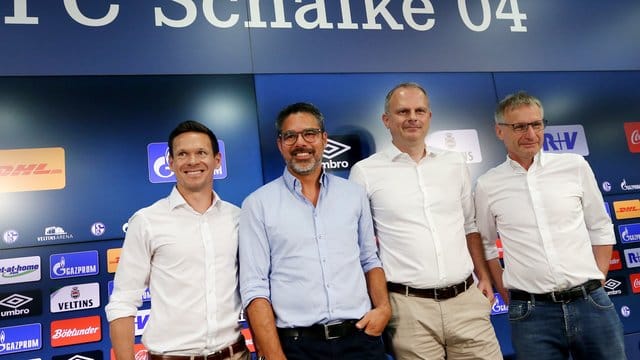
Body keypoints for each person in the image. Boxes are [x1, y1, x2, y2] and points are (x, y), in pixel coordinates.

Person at [349, 83, 502, 360]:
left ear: (429, 116)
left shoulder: (454, 163)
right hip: (408, 309)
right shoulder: (365, 172)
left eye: (419, 110)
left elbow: (470, 227)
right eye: (402, 111)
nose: (412, 117)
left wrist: (483, 277)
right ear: (386, 120)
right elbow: (361, 248)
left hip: (466, 300)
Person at [475, 91, 626, 359]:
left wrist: (599, 279)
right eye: (519, 126)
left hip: (591, 302)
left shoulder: (574, 166)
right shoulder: (487, 185)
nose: (531, 134)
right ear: (499, 131)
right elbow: (486, 245)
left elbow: (600, 226)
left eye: (537, 124)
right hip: (531, 313)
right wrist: (506, 293)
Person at [239, 102, 391, 360]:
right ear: (280, 144)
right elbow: (255, 287)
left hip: (361, 339)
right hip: (297, 347)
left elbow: (369, 259)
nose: (301, 143)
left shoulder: (353, 195)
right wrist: (274, 355)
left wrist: (384, 309)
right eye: (290, 136)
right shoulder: (257, 204)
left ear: (324, 139)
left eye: (309, 134)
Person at [105, 121, 248, 360]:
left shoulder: (238, 218)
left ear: (217, 160)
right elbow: (123, 302)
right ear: (170, 163)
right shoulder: (146, 221)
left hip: (236, 354)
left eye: (201, 152)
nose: (193, 161)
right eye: (183, 154)